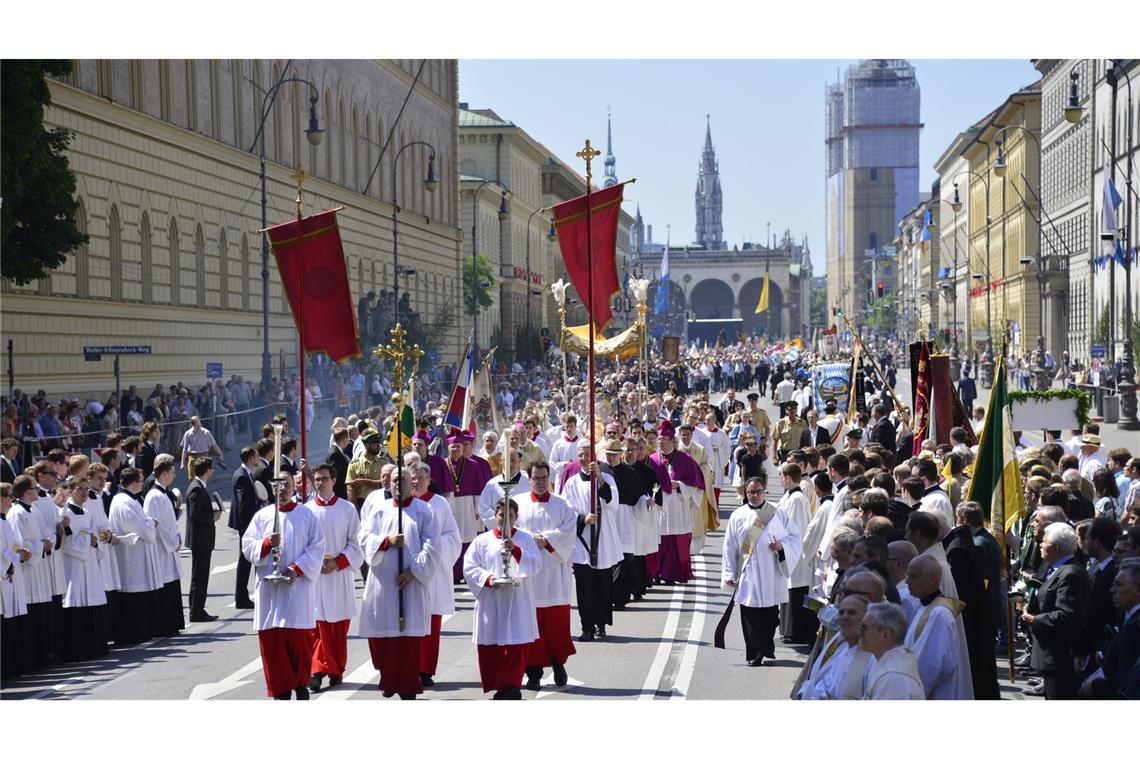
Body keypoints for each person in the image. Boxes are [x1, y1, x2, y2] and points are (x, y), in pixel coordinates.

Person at [241, 472, 326, 700]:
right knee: (274, 646)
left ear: (294, 488)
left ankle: (300, 684)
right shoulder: (262, 516)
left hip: (297, 591)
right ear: (272, 489)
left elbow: (317, 547)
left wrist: (297, 569)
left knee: (298, 644)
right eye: (278, 486)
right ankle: (281, 691)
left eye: (287, 485)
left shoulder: (306, 516)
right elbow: (247, 546)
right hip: (269, 593)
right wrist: (267, 543)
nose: (283, 490)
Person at [357, 469, 438, 699]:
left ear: (411, 482)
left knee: (408, 641)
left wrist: (414, 571)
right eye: (394, 480)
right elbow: (364, 538)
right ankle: (389, 679)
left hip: (411, 585)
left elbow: (432, 544)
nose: (397, 484)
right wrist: (385, 542)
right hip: (383, 584)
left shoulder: (424, 509)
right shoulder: (378, 509)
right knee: (385, 637)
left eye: (402, 479)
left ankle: (407, 687)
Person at [464, 497, 543, 699]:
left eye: (510, 515)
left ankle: (512, 686)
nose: (505, 519)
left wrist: (516, 550)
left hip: (517, 598)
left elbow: (536, 564)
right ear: (495, 516)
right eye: (501, 515)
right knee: (492, 645)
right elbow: (469, 567)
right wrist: (488, 579)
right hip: (492, 599)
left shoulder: (525, 538)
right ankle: (499, 685)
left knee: (516, 643)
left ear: (516, 517)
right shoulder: (482, 540)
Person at [722, 476, 803, 666]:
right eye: (751, 492)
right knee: (749, 615)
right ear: (745, 492)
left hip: (772, 572)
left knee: (769, 617)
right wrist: (729, 574)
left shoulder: (777, 512)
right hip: (748, 572)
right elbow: (730, 547)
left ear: (764, 490)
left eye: (758, 491)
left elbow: (794, 537)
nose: (755, 495)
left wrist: (781, 546)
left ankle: (766, 647)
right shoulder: (738, 515)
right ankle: (754, 653)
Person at [512, 460, 578, 689]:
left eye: (543, 478)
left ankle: (557, 662)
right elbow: (512, 533)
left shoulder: (563, 505)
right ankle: (533, 672)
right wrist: (532, 540)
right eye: (535, 478)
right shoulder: (518, 504)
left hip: (553, 573)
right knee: (530, 624)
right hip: (529, 575)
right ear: (528, 479)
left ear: (549, 479)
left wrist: (546, 539)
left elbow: (569, 532)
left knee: (555, 624)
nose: (539, 482)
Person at [305, 463, 363, 693]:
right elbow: (303, 543)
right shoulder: (307, 510)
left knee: (338, 627)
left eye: (324, 479)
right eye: (317, 479)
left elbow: (356, 543)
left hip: (339, 577)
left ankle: (336, 669)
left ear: (333, 480)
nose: (319, 483)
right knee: (318, 628)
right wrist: (315, 563)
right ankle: (317, 671)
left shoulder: (347, 509)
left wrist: (338, 562)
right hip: (316, 577)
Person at [408, 461, 461, 688]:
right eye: (413, 477)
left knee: (431, 623)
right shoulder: (404, 504)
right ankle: (409, 667)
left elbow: (453, 536)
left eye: (421, 477)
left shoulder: (440, 504)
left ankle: (426, 669)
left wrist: (435, 548)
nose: (416, 481)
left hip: (435, 572)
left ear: (428, 480)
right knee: (409, 622)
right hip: (409, 571)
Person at [1022, 522, 1091, 699]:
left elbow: (1066, 615)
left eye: (1044, 541)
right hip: (1052, 655)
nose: (1040, 544)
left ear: (1056, 547)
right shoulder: (1059, 569)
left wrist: (1034, 619)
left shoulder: (1070, 574)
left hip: (1060, 657)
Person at [561, 441, 620, 641]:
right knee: (584, 587)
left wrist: (600, 479)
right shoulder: (571, 484)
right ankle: (587, 626)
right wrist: (582, 519)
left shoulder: (608, 479)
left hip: (602, 540)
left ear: (594, 457)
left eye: (588, 454)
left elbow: (613, 503)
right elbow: (566, 511)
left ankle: (601, 624)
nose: (585, 458)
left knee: (602, 586)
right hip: (582, 541)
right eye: (581, 455)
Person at [902, 554, 972, 699]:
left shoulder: (939, 614)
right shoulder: (924, 607)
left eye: (913, 576)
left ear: (932, 580)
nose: (907, 581)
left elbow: (930, 666)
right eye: (907, 576)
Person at [57, 474, 109, 662]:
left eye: (87, 489)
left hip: (89, 564)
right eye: (81, 489)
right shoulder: (64, 514)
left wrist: (95, 542)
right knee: (76, 603)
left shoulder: (88, 514)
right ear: (71, 490)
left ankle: (94, 647)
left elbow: (93, 535)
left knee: (93, 603)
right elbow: (66, 543)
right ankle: (76, 650)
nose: (85, 492)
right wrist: (88, 540)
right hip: (73, 566)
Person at [108, 468, 163, 646]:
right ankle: (133, 633)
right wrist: (151, 523)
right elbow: (137, 527)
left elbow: (141, 523)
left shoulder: (130, 499)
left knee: (140, 594)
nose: (142, 484)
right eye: (140, 480)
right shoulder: (123, 501)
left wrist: (148, 523)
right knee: (133, 595)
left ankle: (142, 631)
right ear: (132, 483)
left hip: (137, 553)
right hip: (130, 556)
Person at [1083, 557, 1140, 698]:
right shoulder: (1127, 616)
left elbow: (1122, 682)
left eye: (1119, 585)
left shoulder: (1135, 627)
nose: (1112, 590)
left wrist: (1094, 686)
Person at [800, 595, 873, 700]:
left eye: (852, 612)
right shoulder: (843, 650)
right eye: (841, 612)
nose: (845, 617)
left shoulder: (873, 657)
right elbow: (823, 685)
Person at [143, 459, 185, 637]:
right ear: (164, 473)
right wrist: (174, 542)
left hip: (169, 546)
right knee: (165, 587)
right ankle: (165, 625)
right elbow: (158, 525)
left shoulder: (163, 494)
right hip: (162, 548)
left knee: (171, 585)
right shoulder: (154, 496)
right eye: (172, 472)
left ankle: (172, 624)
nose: (175, 476)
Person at [776, 463, 815, 644]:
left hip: (795, 552)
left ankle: (795, 631)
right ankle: (788, 629)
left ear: (788, 478)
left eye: (781, 476)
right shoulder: (790, 496)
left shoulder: (797, 499)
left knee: (796, 588)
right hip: (787, 548)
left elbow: (796, 527)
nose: (779, 480)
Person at [860, 601, 925, 699]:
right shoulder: (892, 667)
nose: (859, 632)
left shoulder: (893, 678)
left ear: (885, 635)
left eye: (864, 627)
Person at [185, 456, 220, 622]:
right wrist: (213, 516)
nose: (212, 471)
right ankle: (196, 611)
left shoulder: (199, 486)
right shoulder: (197, 488)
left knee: (199, 575)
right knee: (200, 577)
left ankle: (197, 608)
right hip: (200, 540)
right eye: (211, 468)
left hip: (201, 540)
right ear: (207, 470)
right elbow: (196, 514)